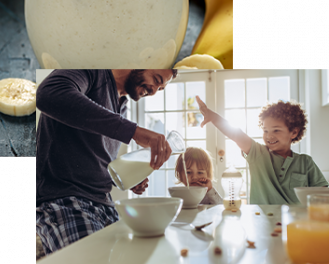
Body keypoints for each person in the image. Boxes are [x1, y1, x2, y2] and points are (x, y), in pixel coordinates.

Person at [36, 69, 177, 255]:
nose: (153, 91)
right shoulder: (93, 70)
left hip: (105, 205)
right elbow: (48, 94)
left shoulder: (121, 106)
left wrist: (128, 178)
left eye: (160, 89)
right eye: (157, 80)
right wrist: (133, 131)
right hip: (65, 201)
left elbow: (94, 161)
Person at [197, 96, 328, 205]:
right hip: (260, 220)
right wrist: (213, 117)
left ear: (293, 132)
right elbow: (236, 134)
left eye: (276, 130)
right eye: (265, 131)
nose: (269, 136)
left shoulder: (306, 162)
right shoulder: (258, 154)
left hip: (296, 222)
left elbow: (323, 195)